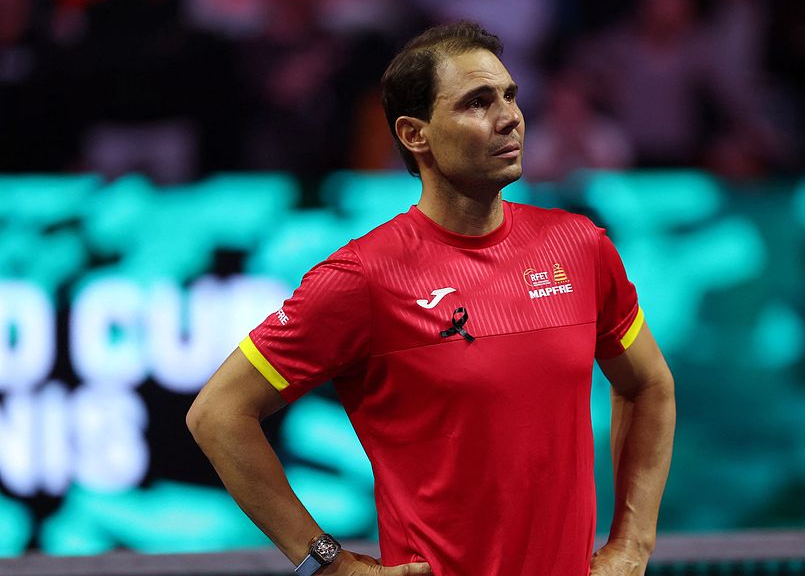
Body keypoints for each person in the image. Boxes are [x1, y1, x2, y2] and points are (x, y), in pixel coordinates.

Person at [187, 21, 675, 576]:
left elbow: (648, 386)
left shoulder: (580, 247)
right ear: (415, 134)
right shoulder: (363, 277)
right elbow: (218, 414)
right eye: (477, 102)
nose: (510, 116)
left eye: (510, 96)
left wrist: (633, 544)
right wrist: (327, 563)